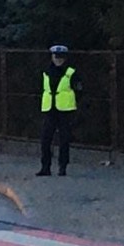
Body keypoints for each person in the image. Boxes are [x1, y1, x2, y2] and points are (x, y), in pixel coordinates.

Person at [37, 44, 82, 176]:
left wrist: (73, 102)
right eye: (56, 57)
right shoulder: (45, 71)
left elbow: (80, 90)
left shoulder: (71, 72)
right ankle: (45, 167)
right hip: (49, 110)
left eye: (61, 57)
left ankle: (63, 167)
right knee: (45, 139)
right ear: (52, 57)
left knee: (64, 140)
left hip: (65, 111)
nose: (58, 60)